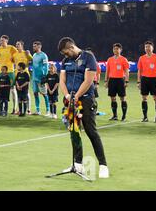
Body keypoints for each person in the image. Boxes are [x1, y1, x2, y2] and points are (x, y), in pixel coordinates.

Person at [58, 37, 109, 178]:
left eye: (65, 52)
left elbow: (89, 80)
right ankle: (78, 164)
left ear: (71, 47)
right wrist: (68, 96)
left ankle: (103, 165)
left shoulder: (88, 57)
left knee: (91, 131)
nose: (65, 55)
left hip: (86, 100)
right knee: (74, 131)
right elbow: (62, 80)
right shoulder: (65, 61)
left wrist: (77, 95)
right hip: (70, 101)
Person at [137, 41, 156, 123]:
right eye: (146, 47)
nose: (147, 48)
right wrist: (139, 82)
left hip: (153, 79)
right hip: (144, 79)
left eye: (149, 47)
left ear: (152, 48)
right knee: (144, 98)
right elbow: (139, 71)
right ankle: (145, 117)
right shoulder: (141, 58)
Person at [104, 43, 130, 121]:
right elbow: (107, 71)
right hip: (112, 80)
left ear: (120, 50)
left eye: (117, 49)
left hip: (120, 80)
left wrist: (126, 81)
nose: (115, 50)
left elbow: (126, 71)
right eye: (114, 49)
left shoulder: (123, 59)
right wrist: (106, 81)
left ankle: (124, 116)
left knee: (122, 98)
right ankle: (115, 116)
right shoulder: (110, 59)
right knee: (112, 98)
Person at [0, 35, 17, 115]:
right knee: (1, 90)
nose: (1, 42)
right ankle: (1, 109)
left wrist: (14, 59)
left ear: (6, 41)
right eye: (0, 40)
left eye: (2, 40)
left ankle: (14, 108)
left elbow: (17, 55)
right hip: (1, 72)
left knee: (12, 89)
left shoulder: (11, 48)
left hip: (10, 72)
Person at [13, 41, 33, 114]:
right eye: (16, 44)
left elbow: (32, 60)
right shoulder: (14, 54)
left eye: (18, 44)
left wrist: (29, 54)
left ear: (22, 45)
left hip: (25, 74)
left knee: (26, 93)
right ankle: (20, 110)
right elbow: (13, 62)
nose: (17, 45)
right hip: (17, 75)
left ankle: (28, 109)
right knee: (19, 93)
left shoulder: (26, 53)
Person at [32, 41, 49, 115]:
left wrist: (45, 76)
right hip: (34, 78)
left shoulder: (43, 55)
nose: (33, 47)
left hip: (41, 78)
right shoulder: (34, 55)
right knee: (35, 93)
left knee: (44, 94)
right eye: (33, 46)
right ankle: (38, 110)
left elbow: (46, 66)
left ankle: (48, 110)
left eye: (35, 46)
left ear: (39, 47)